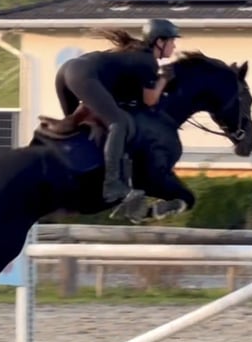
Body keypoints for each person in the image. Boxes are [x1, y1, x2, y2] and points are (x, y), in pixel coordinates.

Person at [52, 18, 181, 205]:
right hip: (82, 75)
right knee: (118, 123)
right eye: (171, 41)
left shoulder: (134, 52)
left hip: (66, 72)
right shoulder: (147, 61)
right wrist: (164, 79)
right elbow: (150, 99)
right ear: (160, 42)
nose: (174, 46)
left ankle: (71, 171)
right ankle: (112, 184)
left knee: (75, 130)